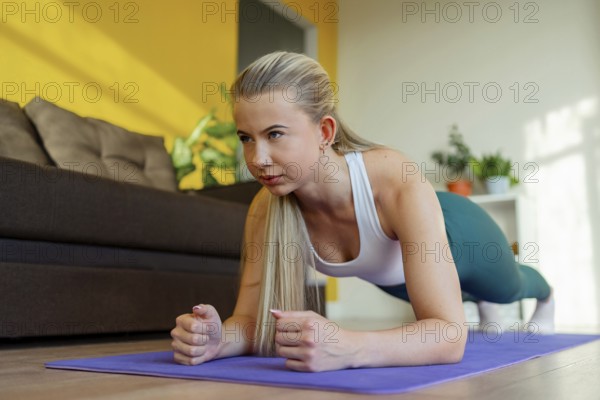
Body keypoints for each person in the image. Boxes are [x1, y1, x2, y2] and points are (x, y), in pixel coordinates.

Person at [170, 51, 555, 372]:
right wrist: (217, 340)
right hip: (396, 275)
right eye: (246, 139)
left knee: (512, 287)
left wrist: (349, 347)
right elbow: (250, 323)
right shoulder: (266, 208)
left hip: (464, 234)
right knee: (444, 297)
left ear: (324, 132)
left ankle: (547, 294)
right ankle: (473, 299)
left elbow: (450, 338)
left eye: (274, 134)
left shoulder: (392, 179)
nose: (258, 158)